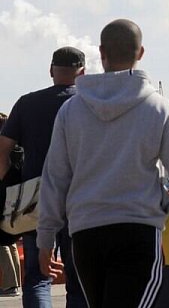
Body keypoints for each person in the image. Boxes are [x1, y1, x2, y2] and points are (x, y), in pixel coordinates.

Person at [37, 20, 169, 306]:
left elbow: (55, 178)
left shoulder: (71, 111)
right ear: (141, 52)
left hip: (86, 232)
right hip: (138, 228)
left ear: (101, 52)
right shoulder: (158, 108)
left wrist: (46, 238)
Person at [0, 46, 88, 308]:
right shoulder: (89, 104)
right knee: (78, 280)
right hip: (81, 199)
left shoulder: (27, 103)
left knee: (38, 279)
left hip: (35, 200)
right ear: (82, 72)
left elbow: (2, 151)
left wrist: (9, 187)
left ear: (51, 70)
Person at [0, 113, 19, 298]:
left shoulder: (2, 147)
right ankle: (15, 283)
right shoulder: (15, 145)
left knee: (1, 242)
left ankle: (9, 285)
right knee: (10, 240)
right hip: (13, 194)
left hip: (2, 193)